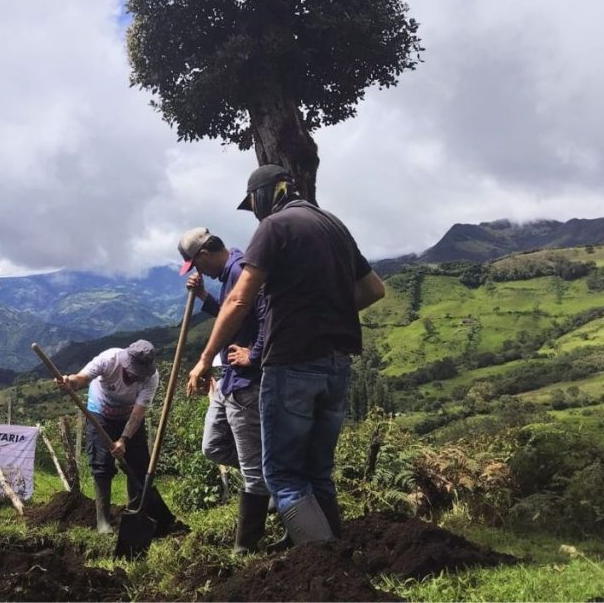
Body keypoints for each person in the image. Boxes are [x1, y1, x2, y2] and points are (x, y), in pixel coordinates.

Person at [187, 164, 385, 546]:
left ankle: (326, 566)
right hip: (337, 363)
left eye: (254, 204)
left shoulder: (274, 227)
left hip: (292, 364)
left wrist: (204, 357)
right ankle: (333, 553)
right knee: (318, 472)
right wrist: (326, 318)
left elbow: (241, 299)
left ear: (265, 195)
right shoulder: (334, 225)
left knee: (282, 475)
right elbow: (374, 289)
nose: (256, 213)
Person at [178, 227, 269, 553]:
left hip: (246, 383)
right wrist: (204, 297)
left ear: (203, 255)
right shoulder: (230, 274)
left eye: (196, 265)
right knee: (213, 447)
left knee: (253, 473)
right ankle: (272, 480)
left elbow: (268, 316)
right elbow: (233, 318)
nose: (198, 272)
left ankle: (245, 548)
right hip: (228, 383)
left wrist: (254, 354)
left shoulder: (242, 270)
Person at [55, 340, 160, 534]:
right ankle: (103, 521)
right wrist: (69, 382)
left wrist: (124, 439)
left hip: (129, 417)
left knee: (138, 465)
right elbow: (81, 379)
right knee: (102, 465)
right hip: (100, 414)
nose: (137, 376)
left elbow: (138, 413)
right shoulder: (109, 359)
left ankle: (133, 513)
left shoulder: (151, 378)